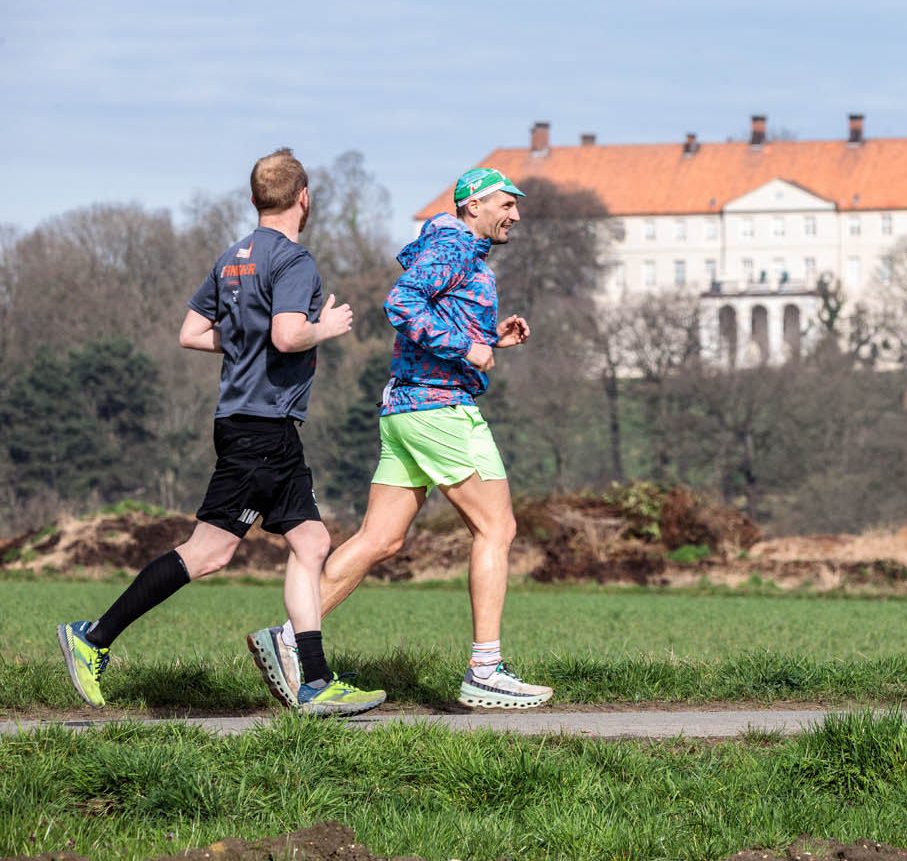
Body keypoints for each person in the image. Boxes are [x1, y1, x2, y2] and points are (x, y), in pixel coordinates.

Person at [58, 148, 386, 717]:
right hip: (262, 428)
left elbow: (191, 332)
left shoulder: (231, 258)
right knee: (207, 554)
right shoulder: (294, 260)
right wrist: (324, 327)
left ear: (256, 197)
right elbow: (287, 337)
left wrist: (242, 340)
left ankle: (314, 681)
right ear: (303, 198)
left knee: (310, 541)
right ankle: (94, 637)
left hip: (256, 425)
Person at [246, 167, 552, 710]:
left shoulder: (452, 248)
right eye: (507, 204)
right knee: (498, 527)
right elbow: (401, 304)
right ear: (474, 205)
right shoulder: (455, 247)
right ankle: (485, 668)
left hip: (407, 409)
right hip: (441, 411)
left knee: (380, 540)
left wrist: (490, 340)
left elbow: (430, 316)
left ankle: (290, 637)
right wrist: (466, 347)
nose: (516, 215)